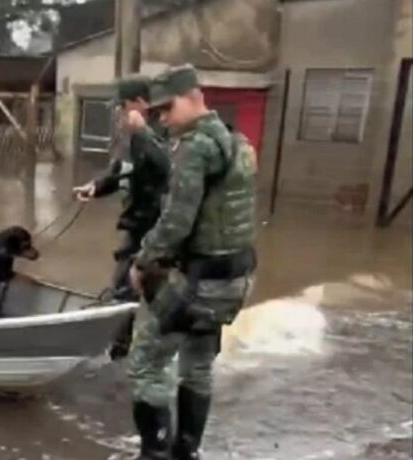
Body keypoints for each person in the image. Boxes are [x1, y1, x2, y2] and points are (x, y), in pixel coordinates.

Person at [127, 65, 257, 460]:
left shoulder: (194, 148)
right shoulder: (241, 144)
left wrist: (143, 261)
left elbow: (177, 221)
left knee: (146, 363)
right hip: (236, 279)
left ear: (192, 97)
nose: (163, 118)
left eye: (167, 109)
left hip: (197, 281)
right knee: (198, 365)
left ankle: (154, 454)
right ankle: (188, 452)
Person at [73, 75, 171, 359]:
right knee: (126, 292)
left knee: (138, 292)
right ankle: (123, 355)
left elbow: (168, 168)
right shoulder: (129, 137)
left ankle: (151, 356)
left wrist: (143, 134)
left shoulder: (162, 129)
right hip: (136, 227)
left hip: (160, 229)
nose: (119, 112)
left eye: (123, 106)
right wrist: (96, 186)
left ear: (141, 102)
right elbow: (119, 172)